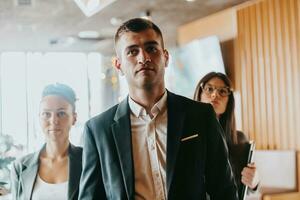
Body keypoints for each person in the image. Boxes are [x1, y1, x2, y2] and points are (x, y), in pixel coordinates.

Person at [78, 18, 238, 200]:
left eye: (151, 49)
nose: (143, 58)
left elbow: (224, 190)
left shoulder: (200, 116)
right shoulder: (99, 130)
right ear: (119, 65)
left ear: (166, 57)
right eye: (132, 51)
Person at [11, 83, 82, 200]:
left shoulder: (88, 161)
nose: (54, 120)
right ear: (39, 117)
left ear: (74, 118)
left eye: (61, 113)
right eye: (46, 114)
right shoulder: (20, 167)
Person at [194, 72, 260, 198]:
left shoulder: (239, 139)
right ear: (199, 93)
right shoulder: (185, 136)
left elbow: (243, 188)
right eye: (209, 89)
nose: (215, 95)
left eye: (222, 91)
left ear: (229, 101)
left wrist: (254, 182)